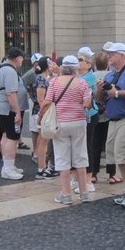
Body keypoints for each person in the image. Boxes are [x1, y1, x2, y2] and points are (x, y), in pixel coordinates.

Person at [95, 42, 125, 208]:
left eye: (112, 53)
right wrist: (99, 89)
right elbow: (100, 100)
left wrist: (116, 92)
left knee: (123, 154)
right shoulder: (109, 75)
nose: (108, 56)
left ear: (123, 56)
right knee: (116, 155)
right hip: (113, 119)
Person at [38, 55, 92, 204]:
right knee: (80, 157)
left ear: (62, 68)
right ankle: (84, 193)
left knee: (62, 158)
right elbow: (87, 104)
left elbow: (47, 102)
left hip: (61, 123)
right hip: (79, 122)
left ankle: (66, 194)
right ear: (76, 69)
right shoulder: (82, 83)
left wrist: (40, 117)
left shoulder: (54, 82)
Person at [0, 47, 28, 180]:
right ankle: (8, 169)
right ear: (17, 58)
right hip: (8, 109)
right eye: (22, 58)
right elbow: (11, 93)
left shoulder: (4, 68)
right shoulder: (10, 71)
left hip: (3, 108)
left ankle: (8, 165)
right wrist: (17, 112)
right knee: (13, 137)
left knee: (7, 135)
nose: (22, 60)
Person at [90, 51, 121, 183]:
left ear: (95, 64)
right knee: (110, 145)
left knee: (94, 145)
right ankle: (111, 174)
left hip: (95, 115)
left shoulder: (90, 76)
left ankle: (93, 173)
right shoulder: (111, 76)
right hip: (109, 114)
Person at [73, 52, 98, 192]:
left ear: (89, 65)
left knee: (87, 147)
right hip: (81, 116)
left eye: (80, 60)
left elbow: (77, 90)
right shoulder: (80, 77)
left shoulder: (88, 77)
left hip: (89, 115)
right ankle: (78, 178)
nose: (78, 62)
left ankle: (88, 180)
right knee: (80, 147)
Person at [30, 56, 58, 179]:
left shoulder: (45, 78)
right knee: (43, 141)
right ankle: (41, 169)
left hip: (43, 112)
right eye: (51, 64)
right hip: (42, 112)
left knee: (43, 140)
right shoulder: (41, 79)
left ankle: (42, 168)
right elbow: (41, 99)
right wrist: (43, 114)